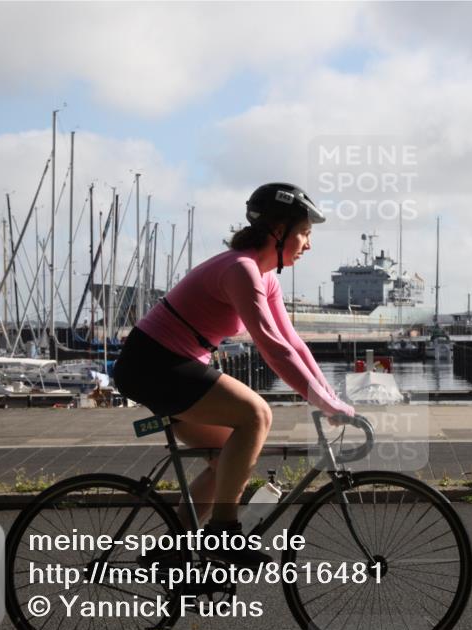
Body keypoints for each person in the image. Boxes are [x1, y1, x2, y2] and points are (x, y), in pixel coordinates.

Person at [113, 183, 354, 569]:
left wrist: (331, 397)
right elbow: (271, 347)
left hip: (168, 363)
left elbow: (293, 343)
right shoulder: (240, 269)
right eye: (305, 233)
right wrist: (323, 402)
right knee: (256, 414)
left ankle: (173, 550)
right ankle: (223, 532)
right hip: (154, 363)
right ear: (279, 231)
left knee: (231, 457)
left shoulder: (264, 277)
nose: (308, 244)